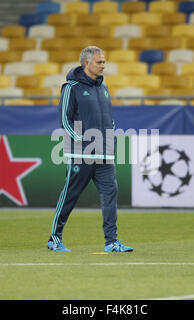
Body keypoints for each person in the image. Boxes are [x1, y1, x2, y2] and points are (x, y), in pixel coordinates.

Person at [47, 46, 133, 253]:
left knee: (111, 193)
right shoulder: (70, 87)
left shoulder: (103, 88)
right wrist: (78, 138)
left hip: (104, 153)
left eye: (104, 62)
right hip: (80, 154)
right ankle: (54, 238)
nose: (103, 65)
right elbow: (64, 119)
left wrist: (111, 134)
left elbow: (109, 118)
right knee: (70, 194)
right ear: (86, 63)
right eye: (99, 62)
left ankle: (111, 242)